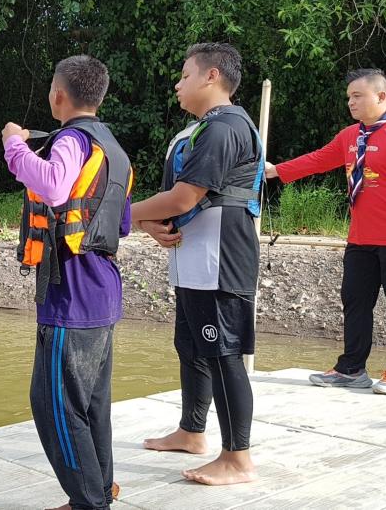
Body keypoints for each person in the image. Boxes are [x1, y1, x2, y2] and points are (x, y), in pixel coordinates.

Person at [3, 54, 134, 510]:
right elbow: (123, 224)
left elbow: (56, 189)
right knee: (91, 403)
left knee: (54, 407)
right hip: (102, 290)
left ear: (58, 95)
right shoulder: (113, 149)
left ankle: (89, 503)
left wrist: (14, 146)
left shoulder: (71, 141)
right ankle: (98, 492)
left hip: (72, 298)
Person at [131, 42, 262, 486]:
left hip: (220, 257)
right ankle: (192, 431)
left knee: (222, 353)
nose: (177, 83)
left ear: (211, 77)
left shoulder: (225, 128)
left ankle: (238, 459)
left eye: (185, 75)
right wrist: (149, 224)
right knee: (191, 346)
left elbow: (186, 196)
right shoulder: (199, 131)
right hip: (193, 256)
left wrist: (117, 214)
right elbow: (173, 202)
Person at [265, 68, 386, 395]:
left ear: (381, 96)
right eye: (349, 97)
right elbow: (318, 160)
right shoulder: (350, 136)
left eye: (358, 96)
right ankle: (351, 368)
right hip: (360, 239)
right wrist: (275, 171)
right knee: (355, 302)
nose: (351, 103)